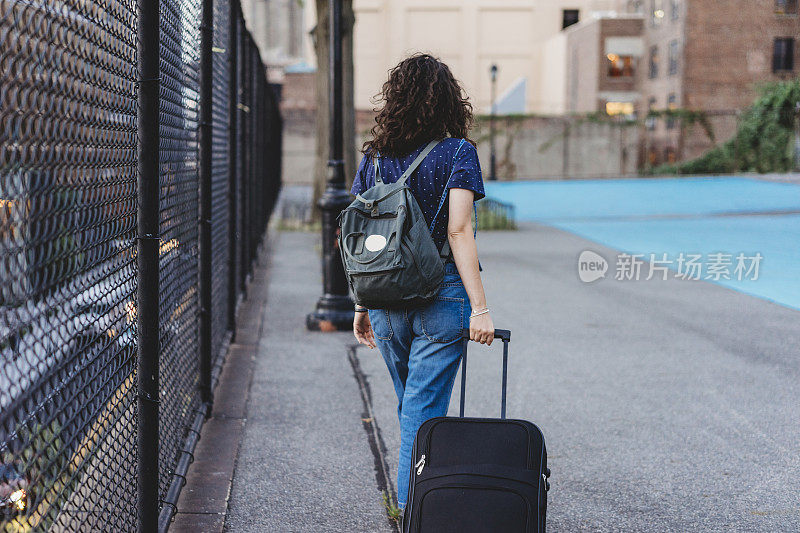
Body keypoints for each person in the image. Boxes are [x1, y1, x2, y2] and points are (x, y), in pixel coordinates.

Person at [350, 53, 494, 513]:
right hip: (441, 297)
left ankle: (420, 501)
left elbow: (358, 235)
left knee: (412, 407)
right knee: (421, 411)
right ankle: (413, 512)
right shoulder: (457, 153)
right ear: (450, 101)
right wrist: (481, 308)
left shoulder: (373, 160)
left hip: (383, 301)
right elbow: (458, 231)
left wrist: (360, 304)